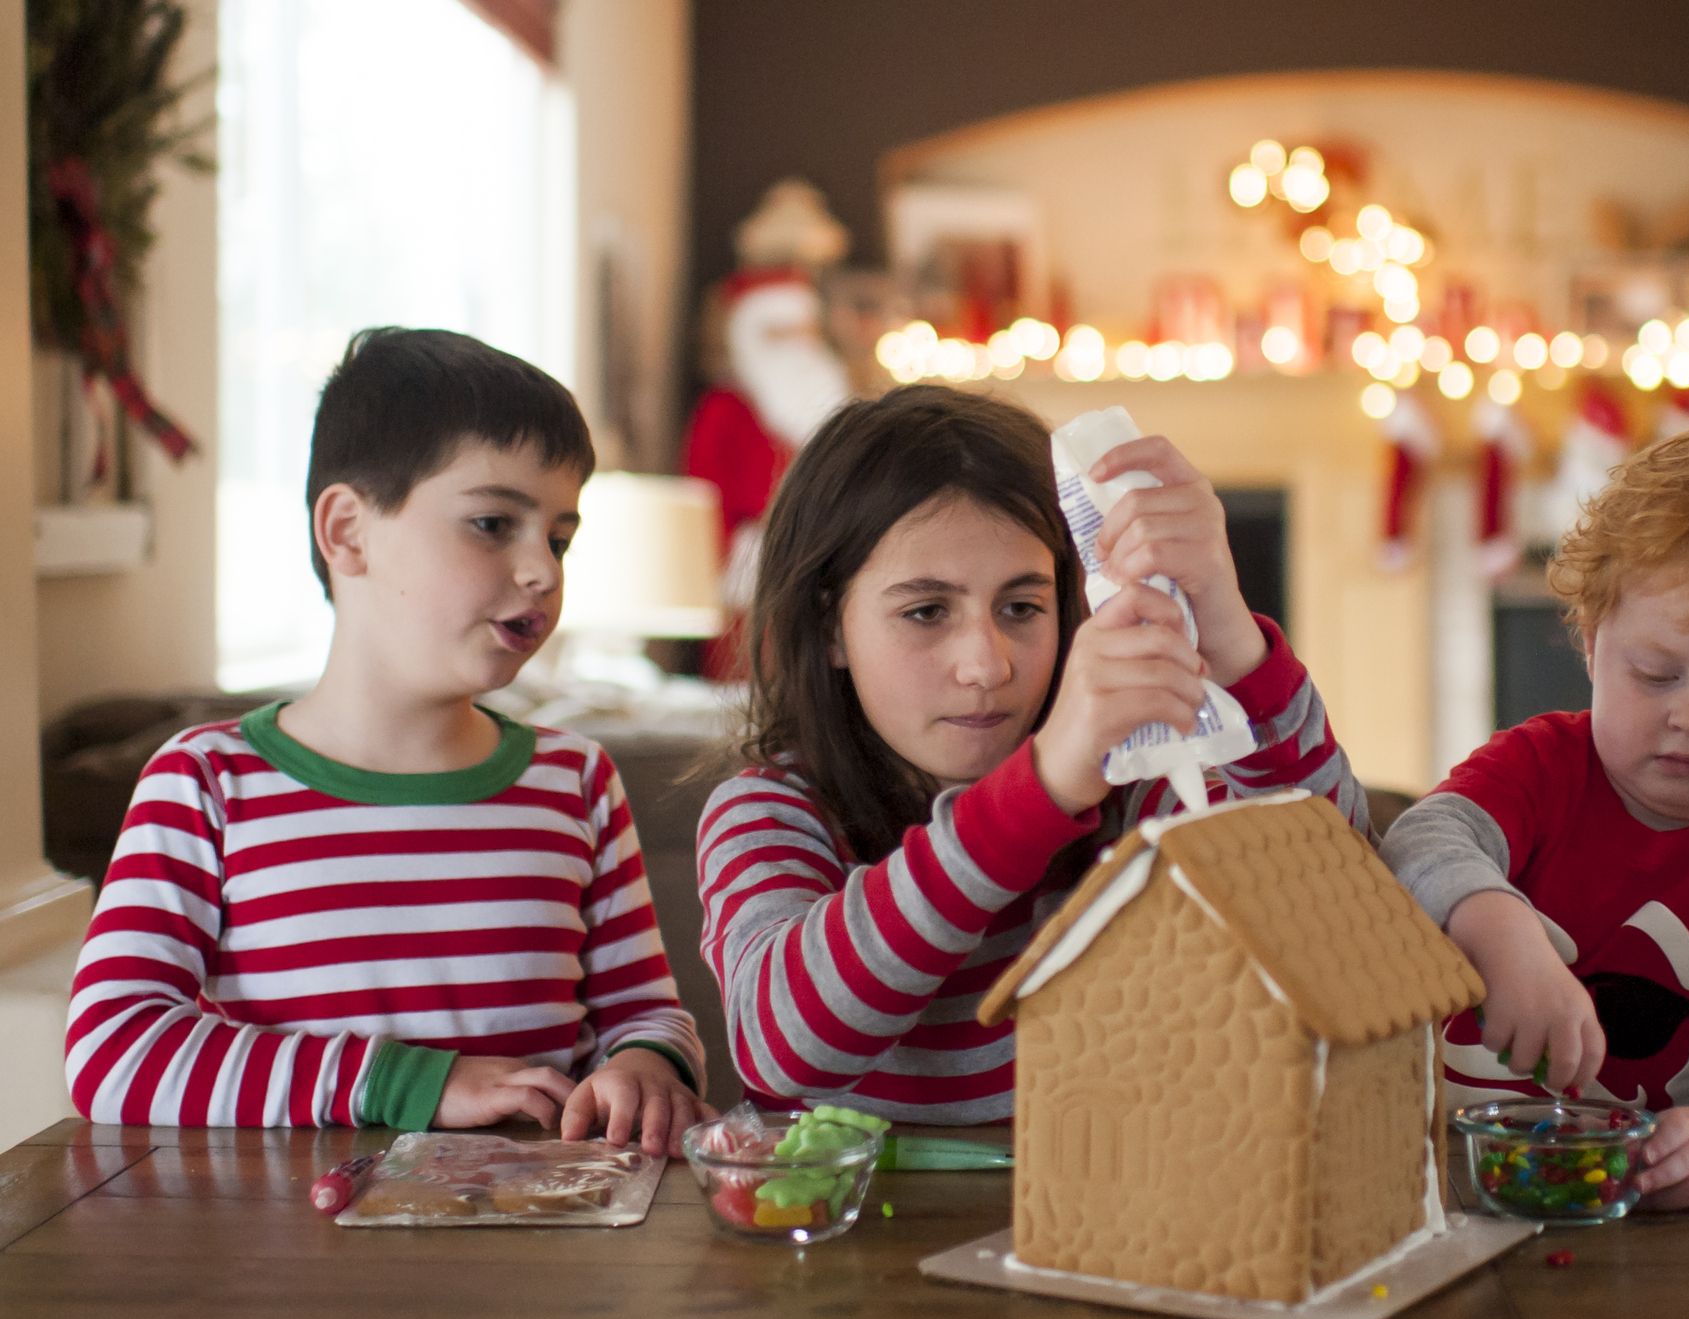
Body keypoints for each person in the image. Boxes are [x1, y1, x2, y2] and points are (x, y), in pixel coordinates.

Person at [65, 328, 707, 1154]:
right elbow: (114, 1054)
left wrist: (649, 1066)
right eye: (491, 523)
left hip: (540, 1251)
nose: (542, 571)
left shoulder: (576, 781)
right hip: (291, 1261)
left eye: (558, 537)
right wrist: (413, 1083)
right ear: (348, 533)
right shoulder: (205, 785)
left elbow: (646, 1015)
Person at [696, 384, 1366, 1123]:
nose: (987, 666)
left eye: (1021, 608)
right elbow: (785, 1048)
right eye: (925, 612)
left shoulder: (1137, 790)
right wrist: (1038, 791)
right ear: (830, 628)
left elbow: (1343, 920)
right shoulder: (768, 811)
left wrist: (1230, 634)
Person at [1383, 419, 1689, 1212]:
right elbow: (1424, 839)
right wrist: (1499, 930)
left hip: (1649, 1214)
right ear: (1591, 647)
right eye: (1656, 675)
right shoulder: (1541, 766)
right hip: (1444, 1181)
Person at [680, 267, 851, 678]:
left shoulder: (833, 401)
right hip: (750, 578)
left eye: (805, 330)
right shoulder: (724, 409)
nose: (798, 344)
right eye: (781, 333)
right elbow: (705, 502)